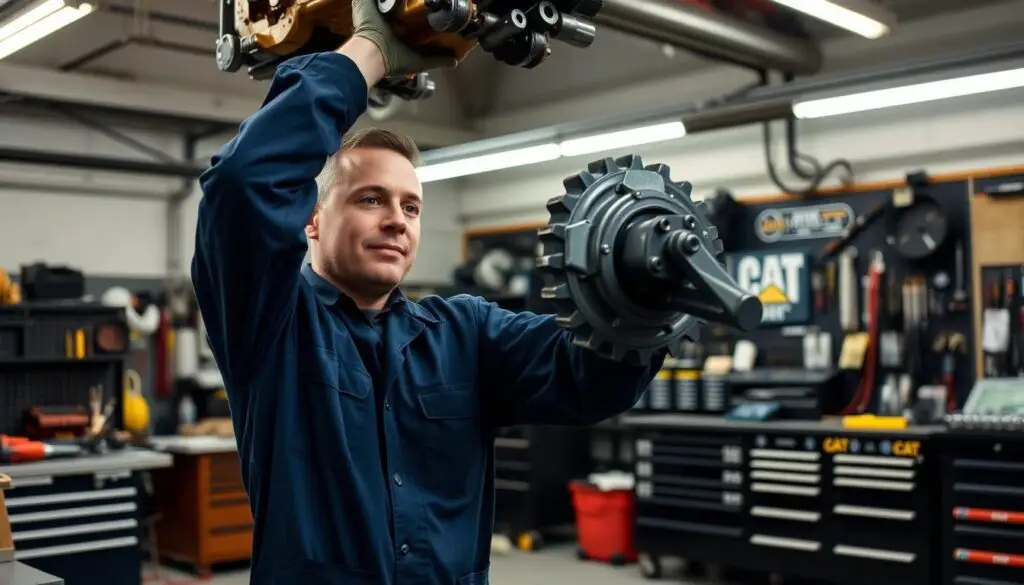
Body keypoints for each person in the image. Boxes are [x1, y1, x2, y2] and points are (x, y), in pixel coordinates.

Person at [191, 2, 665, 584]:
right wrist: (369, 53)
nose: (397, 220)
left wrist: (646, 287)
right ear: (311, 220)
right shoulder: (270, 327)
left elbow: (591, 376)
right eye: (370, 199)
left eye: (411, 207)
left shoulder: (466, 333)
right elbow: (243, 187)